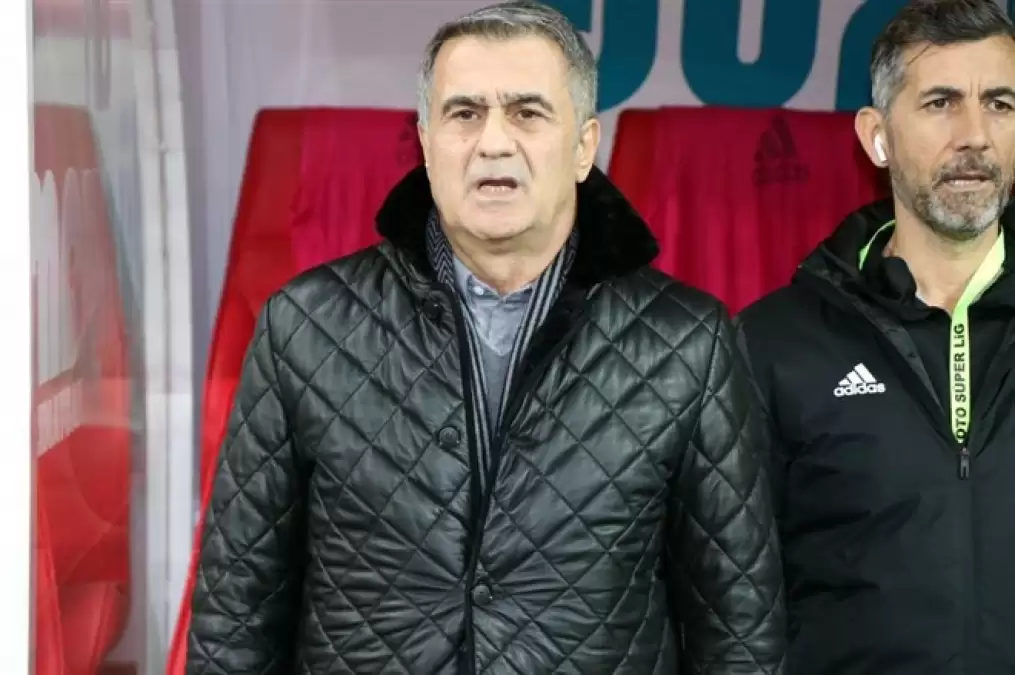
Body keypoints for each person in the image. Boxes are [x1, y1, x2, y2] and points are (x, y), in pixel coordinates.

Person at [185, 2, 786, 674]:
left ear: (584, 146)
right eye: (464, 113)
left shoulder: (688, 343)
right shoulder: (306, 324)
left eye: (527, 112)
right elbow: (235, 613)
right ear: (426, 142)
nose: (493, 142)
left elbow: (739, 631)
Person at [735, 0, 1015, 673]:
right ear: (876, 135)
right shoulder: (774, 341)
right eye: (941, 103)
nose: (974, 135)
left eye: (1000, 104)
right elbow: (729, 598)